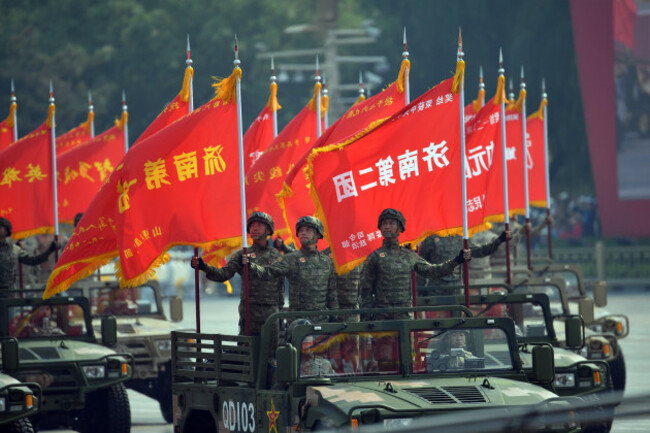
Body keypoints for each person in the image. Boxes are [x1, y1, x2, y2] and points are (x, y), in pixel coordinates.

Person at [359, 209, 470, 320]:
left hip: (405, 316)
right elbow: (365, 289)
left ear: (400, 228)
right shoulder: (374, 257)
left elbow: (432, 271)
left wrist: (457, 260)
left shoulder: (409, 255)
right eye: (384, 223)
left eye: (391, 223)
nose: (387, 227)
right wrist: (368, 315)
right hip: (381, 316)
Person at [191, 212, 285, 341]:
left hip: (271, 312)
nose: (255, 228)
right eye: (252, 226)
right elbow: (223, 274)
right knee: (247, 351)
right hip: (249, 311)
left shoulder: (278, 256)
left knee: (271, 354)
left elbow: (281, 287)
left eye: (259, 225)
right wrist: (204, 266)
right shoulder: (242, 255)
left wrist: (280, 312)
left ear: (268, 229)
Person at [248, 216, 338, 321]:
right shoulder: (290, 259)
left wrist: (334, 318)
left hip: (322, 321)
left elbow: (332, 293)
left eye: (308, 230)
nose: (303, 233)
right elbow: (268, 273)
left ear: (317, 234)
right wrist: (250, 265)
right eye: (301, 231)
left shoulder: (326, 261)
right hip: (297, 322)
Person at [417, 228, 510, 295]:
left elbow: (480, 251)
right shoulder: (430, 240)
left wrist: (499, 240)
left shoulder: (460, 238)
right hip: (436, 291)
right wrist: (420, 292)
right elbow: (421, 268)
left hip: (457, 290)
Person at [0, 217, 59, 292]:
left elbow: (33, 260)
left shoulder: (14, 249)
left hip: (9, 294)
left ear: (6, 231)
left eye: (0, 227)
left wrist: (50, 250)